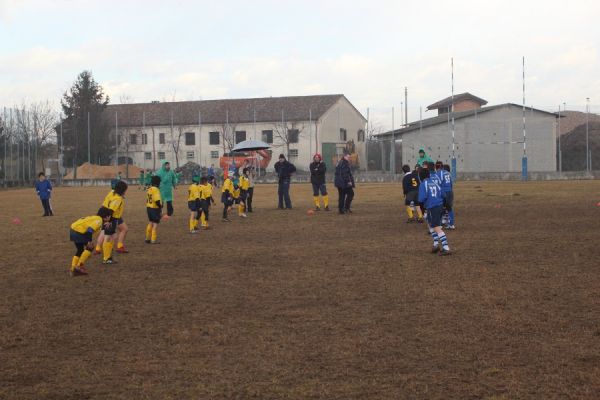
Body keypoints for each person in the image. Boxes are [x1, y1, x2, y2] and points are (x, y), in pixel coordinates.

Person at [69, 207, 113, 276]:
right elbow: (90, 230)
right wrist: (89, 241)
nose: (110, 217)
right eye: (110, 216)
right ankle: (79, 266)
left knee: (80, 250)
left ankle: (73, 268)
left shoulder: (96, 218)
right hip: (80, 232)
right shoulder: (99, 220)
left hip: (73, 229)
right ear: (106, 216)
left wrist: (107, 224)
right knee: (90, 247)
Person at [418, 167, 451, 255]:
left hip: (433, 207)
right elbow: (443, 195)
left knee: (436, 226)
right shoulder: (434, 183)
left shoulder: (423, 184)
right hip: (439, 205)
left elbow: (421, 199)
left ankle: (446, 247)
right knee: (430, 224)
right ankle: (436, 245)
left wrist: (422, 207)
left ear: (420, 176)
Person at [145, 175, 163, 244]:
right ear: (157, 182)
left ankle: (147, 238)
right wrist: (160, 207)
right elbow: (157, 200)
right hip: (154, 209)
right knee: (155, 224)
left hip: (148, 208)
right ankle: (153, 239)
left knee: (150, 222)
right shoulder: (156, 189)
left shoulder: (149, 188)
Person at [442, 164, 455, 230]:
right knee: (449, 208)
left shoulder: (441, 173)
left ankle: (442, 221)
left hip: (444, 192)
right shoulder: (449, 174)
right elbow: (451, 184)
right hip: (450, 192)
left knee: (441, 207)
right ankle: (451, 224)